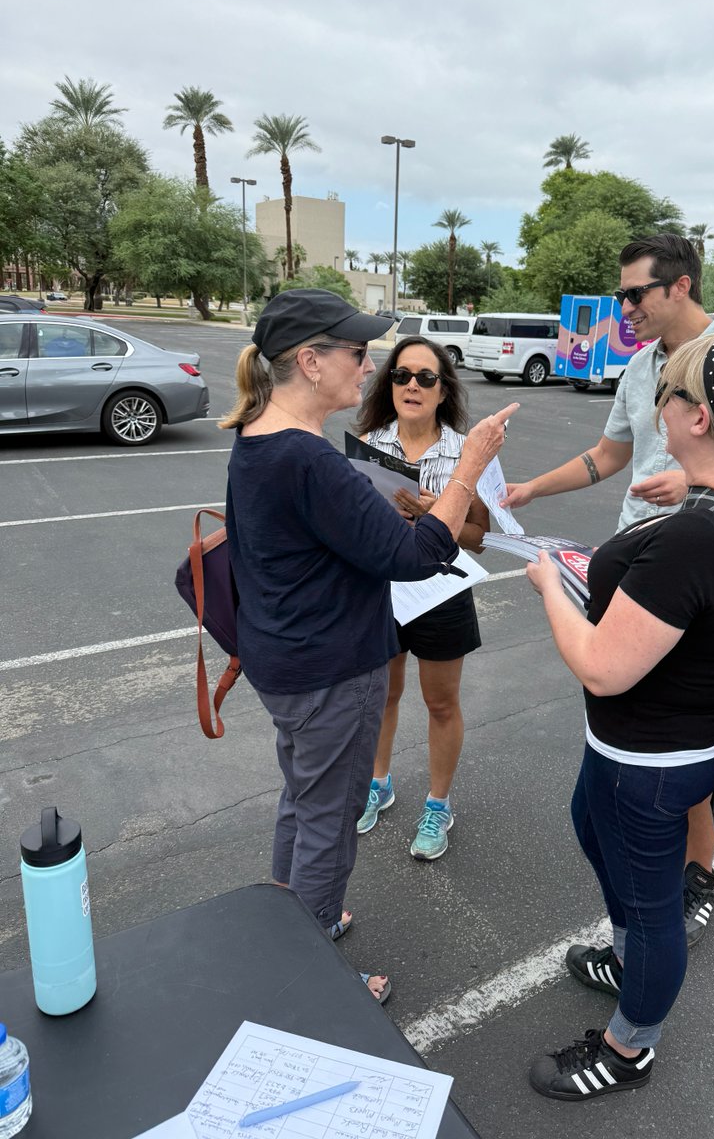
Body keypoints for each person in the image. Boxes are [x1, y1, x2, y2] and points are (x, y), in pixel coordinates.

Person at [525, 323, 714, 1101]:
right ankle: (629, 958)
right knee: (592, 827)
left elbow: (603, 668)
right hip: (664, 744)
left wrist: (553, 585)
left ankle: (628, 1048)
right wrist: (693, 491)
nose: (658, 397)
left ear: (700, 420)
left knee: (653, 911)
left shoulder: (695, 535)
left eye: (671, 389)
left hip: (648, 760)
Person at [502, 234, 714, 945]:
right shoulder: (640, 366)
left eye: (634, 294)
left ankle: (694, 878)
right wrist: (530, 489)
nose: (624, 308)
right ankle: (650, 892)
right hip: (642, 561)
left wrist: (698, 483)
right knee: (637, 724)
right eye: (619, 296)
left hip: (708, 554)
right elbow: (609, 454)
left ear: (679, 287)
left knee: (690, 725)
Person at [221, 289, 517, 1000]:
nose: (372, 365)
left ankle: (292, 920)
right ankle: (315, 975)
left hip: (285, 662)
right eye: (358, 352)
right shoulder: (310, 459)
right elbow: (415, 557)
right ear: (311, 361)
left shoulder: (259, 438)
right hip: (327, 671)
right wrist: (469, 465)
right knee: (328, 819)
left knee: (303, 798)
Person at [355, 337, 489, 860]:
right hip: (382, 588)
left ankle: (438, 804)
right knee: (381, 696)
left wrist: (442, 513)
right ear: (389, 385)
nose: (412, 385)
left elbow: (481, 533)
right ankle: (378, 783)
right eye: (402, 375)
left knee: (440, 702)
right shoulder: (368, 442)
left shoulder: (464, 450)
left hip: (440, 590)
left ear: (442, 389)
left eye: (426, 378)